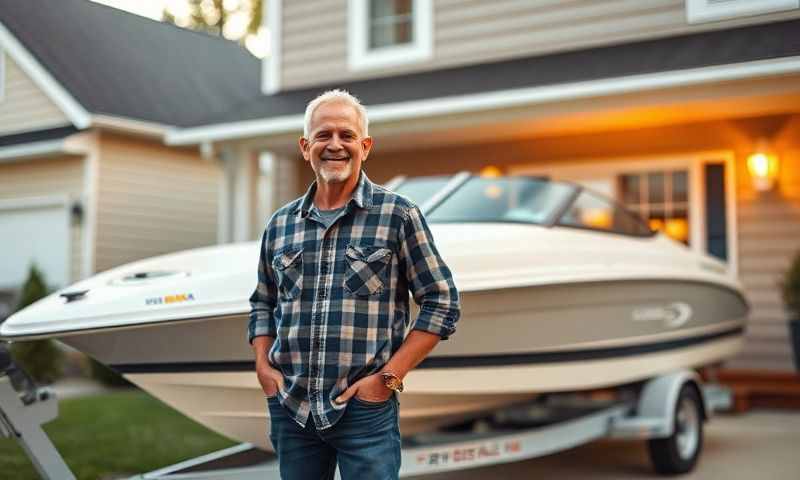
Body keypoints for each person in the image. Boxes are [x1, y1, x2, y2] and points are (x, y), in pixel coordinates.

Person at [247, 89, 461, 480]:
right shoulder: (280, 224)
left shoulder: (398, 215)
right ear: (305, 146)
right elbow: (263, 301)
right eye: (323, 135)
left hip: (365, 412)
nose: (335, 145)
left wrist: (388, 378)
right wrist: (264, 367)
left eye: (346, 136)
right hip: (292, 409)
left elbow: (442, 301)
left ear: (365, 146)